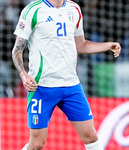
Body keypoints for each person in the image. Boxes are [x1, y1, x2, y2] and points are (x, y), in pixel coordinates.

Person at [12, 0, 121, 150]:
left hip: (71, 86)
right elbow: (17, 49)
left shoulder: (74, 9)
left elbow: (80, 45)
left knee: (91, 136)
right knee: (37, 144)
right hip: (42, 86)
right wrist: (23, 74)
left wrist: (107, 46)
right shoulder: (33, 10)